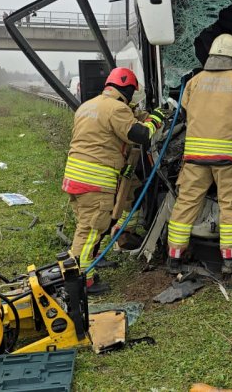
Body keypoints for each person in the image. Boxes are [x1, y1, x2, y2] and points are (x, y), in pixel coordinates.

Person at [62, 67, 166, 294]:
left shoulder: (88, 105)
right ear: (127, 90)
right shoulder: (117, 108)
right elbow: (141, 135)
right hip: (95, 180)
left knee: (88, 226)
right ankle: (82, 281)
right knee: (89, 230)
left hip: (75, 176)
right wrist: (156, 119)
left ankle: (89, 262)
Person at [166, 34, 232, 275]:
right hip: (229, 160)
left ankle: (174, 257)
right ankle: (231, 260)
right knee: (230, 206)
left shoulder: (194, 82)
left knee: (185, 204)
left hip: (195, 158)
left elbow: (185, 114)